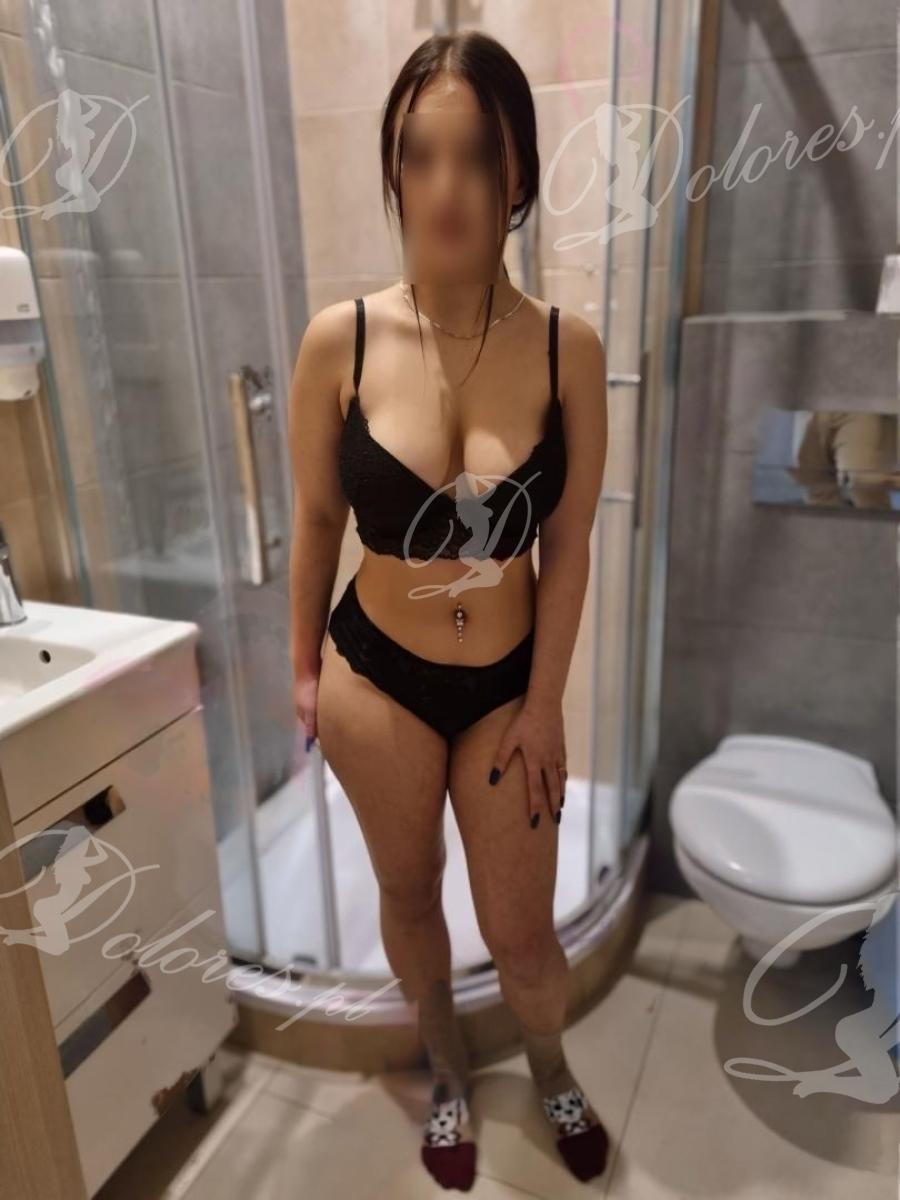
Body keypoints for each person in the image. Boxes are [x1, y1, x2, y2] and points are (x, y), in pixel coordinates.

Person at [288, 30, 608, 1192]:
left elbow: (567, 546)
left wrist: (547, 704)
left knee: (524, 936)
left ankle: (549, 1062)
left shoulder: (569, 350)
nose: (446, 186)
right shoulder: (342, 340)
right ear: (394, 171)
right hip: (374, 676)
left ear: (518, 171)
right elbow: (316, 521)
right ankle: (447, 1073)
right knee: (409, 892)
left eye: (475, 155)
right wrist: (303, 674)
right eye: (418, 156)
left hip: (508, 689)